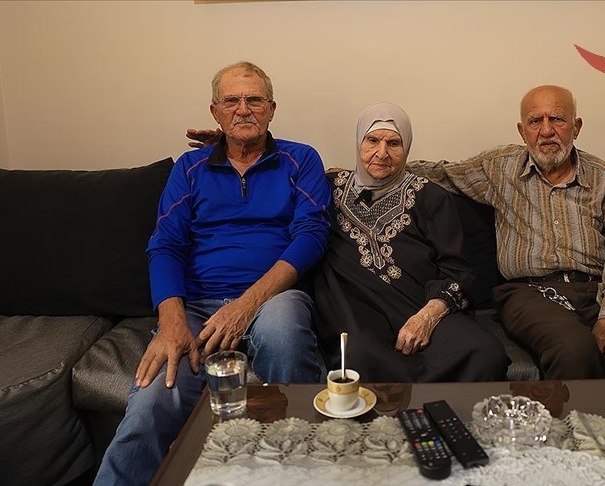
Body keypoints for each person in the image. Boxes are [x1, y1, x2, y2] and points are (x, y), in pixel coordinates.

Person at [94, 61, 331, 485]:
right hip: (197, 305)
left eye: (254, 99)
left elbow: (312, 235)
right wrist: (171, 322)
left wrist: (245, 305)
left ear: (271, 109)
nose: (243, 109)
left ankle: (300, 466)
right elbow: (165, 244)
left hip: (273, 299)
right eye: (231, 100)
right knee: (151, 401)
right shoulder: (190, 168)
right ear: (215, 112)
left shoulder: (301, 159)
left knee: (283, 334)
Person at [407, 85, 605, 380]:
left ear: (576, 127)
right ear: (522, 131)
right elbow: (440, 174)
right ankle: (578, 425)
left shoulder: (603, 177)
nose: (546, 131)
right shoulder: (499, 168)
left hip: (598, 290)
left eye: (557, 119)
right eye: (535, 121)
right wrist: (387, 161)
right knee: (574, 351)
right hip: (528, 293)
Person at [312, 102, 510, 382]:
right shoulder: (327, 189)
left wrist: (427, 317)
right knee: (359, 356)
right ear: (358, 142)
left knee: (485, 352)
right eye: (372, 140)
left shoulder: (431, 197)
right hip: (358, 314)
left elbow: (458, 271)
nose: (382, 153)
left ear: (406, 148)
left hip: (421, 306)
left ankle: (444, 412)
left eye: (394, 143)